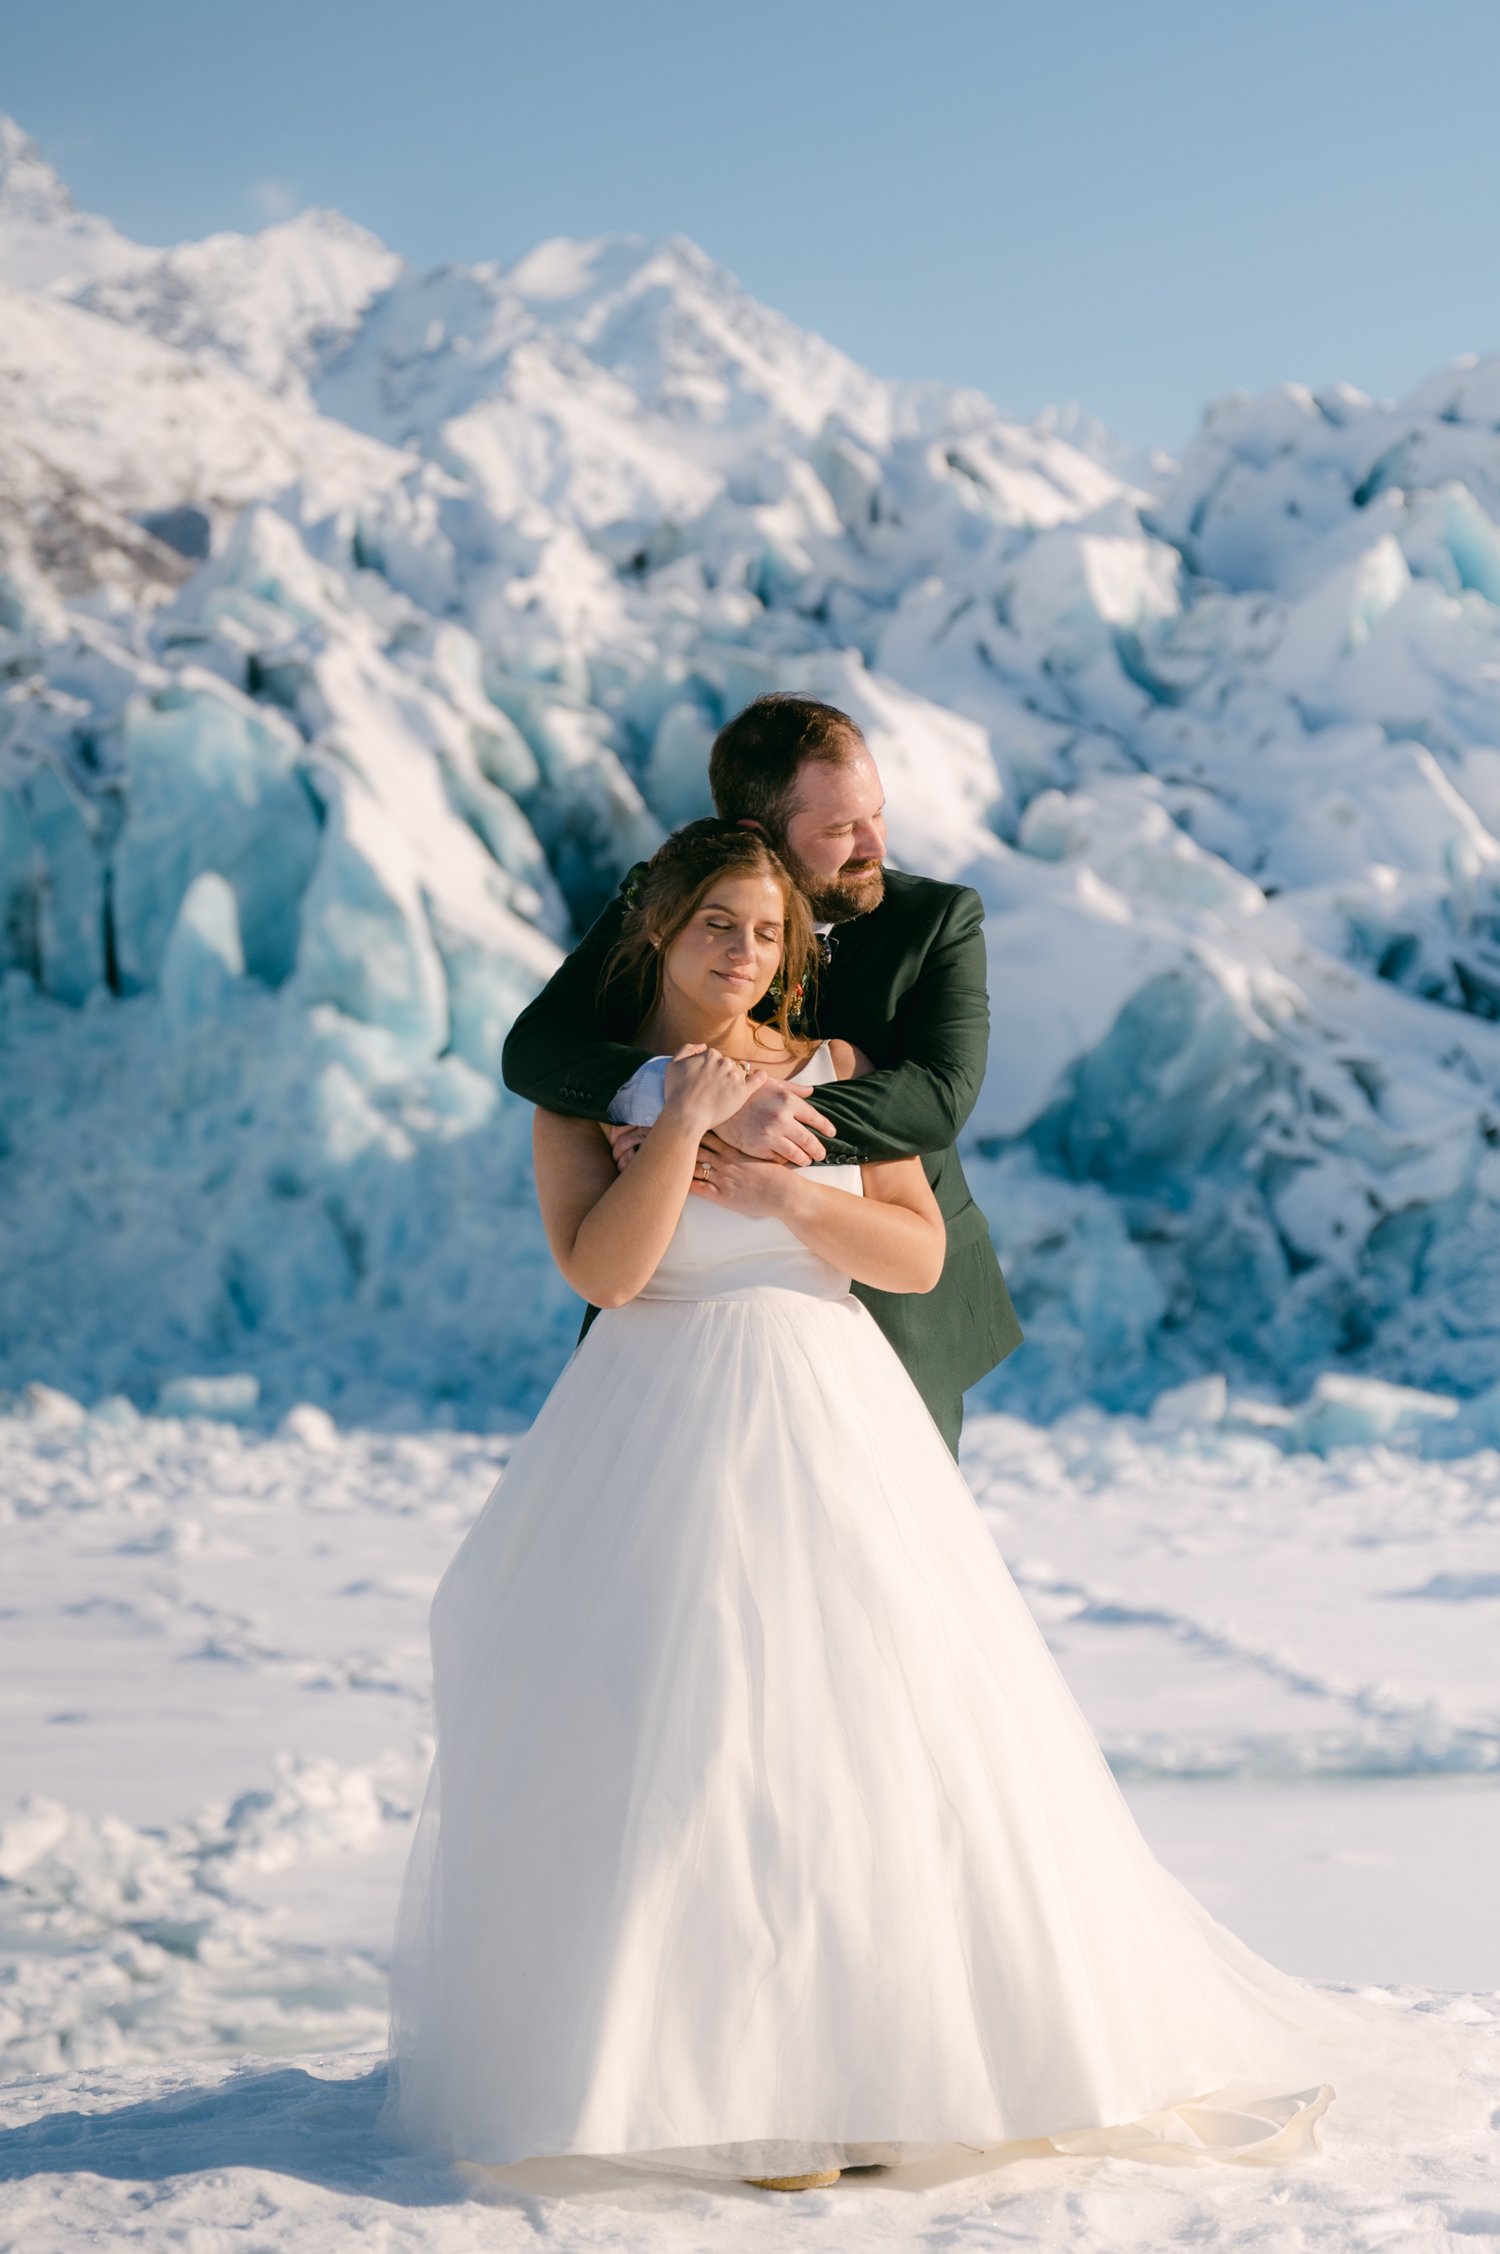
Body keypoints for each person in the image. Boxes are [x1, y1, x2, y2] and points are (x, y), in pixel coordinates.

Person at [380, 820, 1468, 2195]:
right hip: (657, 1417)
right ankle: (715, 2085)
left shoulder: (838, 1073)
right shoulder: (586, 1094)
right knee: (689, 1737)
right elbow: (604, 1270)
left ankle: (884, 2066)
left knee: (866, 1738)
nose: (747, 952)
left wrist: (784, 1189)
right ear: (656, 928)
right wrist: (685, 1124)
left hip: (834, 1412)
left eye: (770, 932)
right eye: (719, 923)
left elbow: (914, 1246)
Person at [499, 692, 1023, 1457]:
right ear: (759, 833)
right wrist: (681, 1101)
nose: (874, 843)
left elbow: (937, 1100)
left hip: (891, 1296)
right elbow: (538, 1049)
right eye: (840, 829)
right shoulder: (675, 894)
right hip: (674, 1307)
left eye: (877, 814)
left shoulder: (935, 920)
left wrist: (740, 1122)